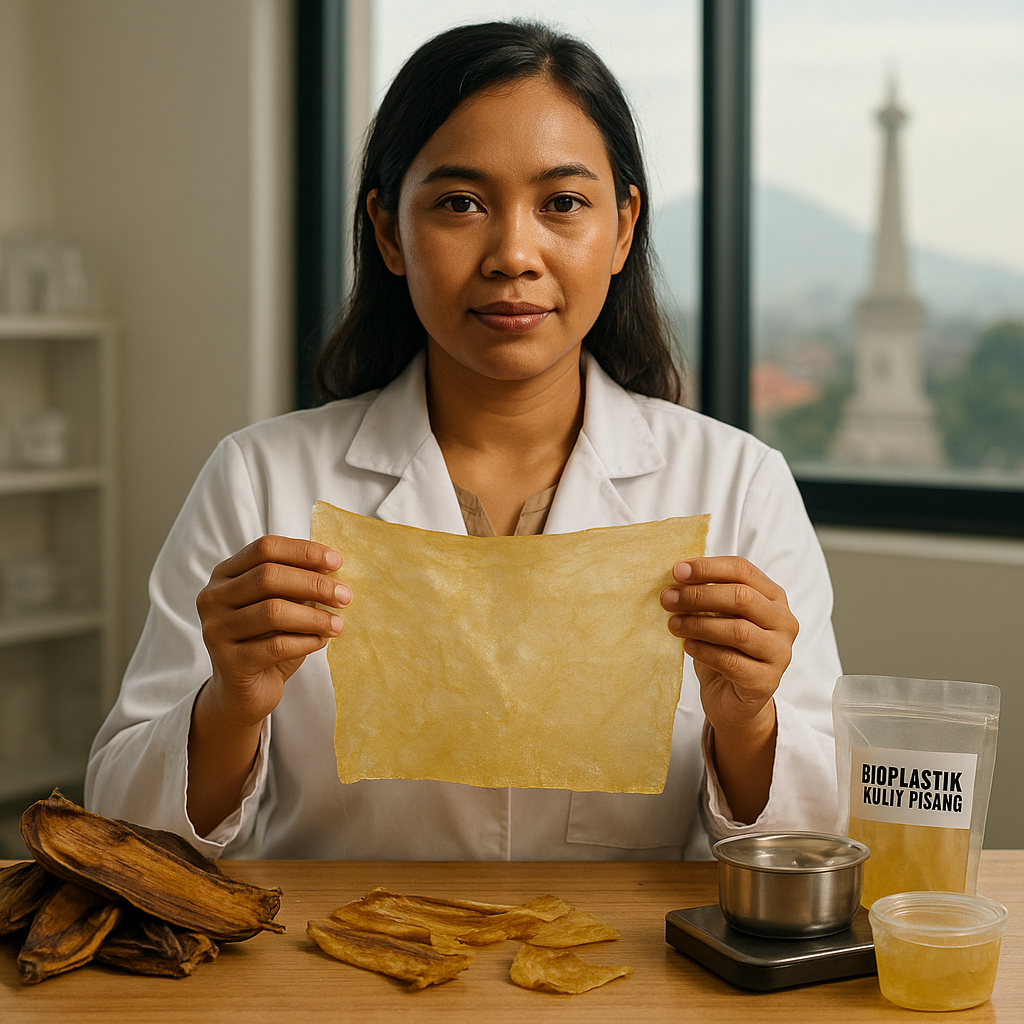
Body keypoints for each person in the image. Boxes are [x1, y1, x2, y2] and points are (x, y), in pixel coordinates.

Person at [85, 21, 842, 860]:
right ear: (387, 231)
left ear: (623, 228)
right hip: (337, 974)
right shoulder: (260, 477)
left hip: (623, 982)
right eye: (459, 204)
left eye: (563, 203)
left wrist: (749, 722)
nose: (514, 254)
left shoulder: (738, 485)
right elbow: (122, 832)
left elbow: (814, 847)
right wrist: (228, 705)